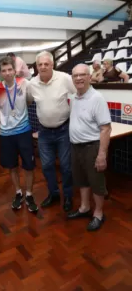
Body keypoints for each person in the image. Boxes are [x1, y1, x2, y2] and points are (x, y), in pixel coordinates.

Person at [28, 51, 75, 212]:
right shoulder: (32, 84)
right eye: (40, 64)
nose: (43, 67)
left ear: (52, 65)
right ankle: (54, 194)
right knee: (47, 166)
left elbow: (79, 94)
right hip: (44, 132)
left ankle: (68, 195)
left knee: (66, 166)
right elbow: (28, 100)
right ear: (36, 66)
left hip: (63, 130)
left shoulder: (64, 78)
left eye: (46, 64)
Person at [68, 64, 111, 231]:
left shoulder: (97, 98)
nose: (78, 78)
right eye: (75, 75)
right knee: (82, 181)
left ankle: (99, 214)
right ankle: (84, 208)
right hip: (76, 147)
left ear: (89, 77)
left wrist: (102, 155)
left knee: (96, 183)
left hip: (92, 147)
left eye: (82, 75)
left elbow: (106, 128)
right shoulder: (74, 97)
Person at [0, 56, 38, 212]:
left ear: (14, 70)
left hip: (24, 131)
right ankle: (18, 193)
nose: (7, 73)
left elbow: (30, 101)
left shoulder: (24, 84)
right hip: (5, 134)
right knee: (12, 167)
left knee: (29, 166)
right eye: (3, 71)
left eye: (10, 69)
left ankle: (30, 194)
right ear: (0, 73)